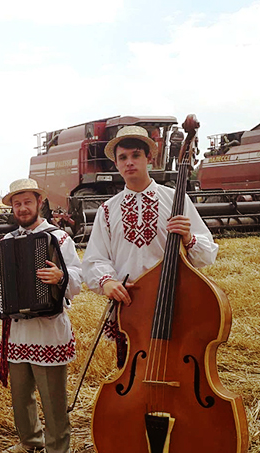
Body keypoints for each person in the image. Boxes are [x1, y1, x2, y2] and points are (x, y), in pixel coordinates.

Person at [82, 125, 219, 366]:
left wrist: (188, 238)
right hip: (130, 307)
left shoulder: (175, 199)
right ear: (116, 164)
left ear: (149, 158)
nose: (129, 162)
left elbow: (207, 254)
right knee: (130, 373)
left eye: (136, 155)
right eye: (123, 157)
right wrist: (108, 282)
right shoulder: (107, 210)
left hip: (173, 303)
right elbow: (95, 259)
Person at [0, 178, 83, 453]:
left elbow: (78, 277)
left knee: (52, 397)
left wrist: (60, 276)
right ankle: (30, 440)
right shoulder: (5, 243)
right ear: (12, 208)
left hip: (48, 329)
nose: (22, 208)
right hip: (18, 330)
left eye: (27, 202)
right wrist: (7, 298)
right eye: (17, 204)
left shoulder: (58, 238)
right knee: (21, 393)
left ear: (39, 203)